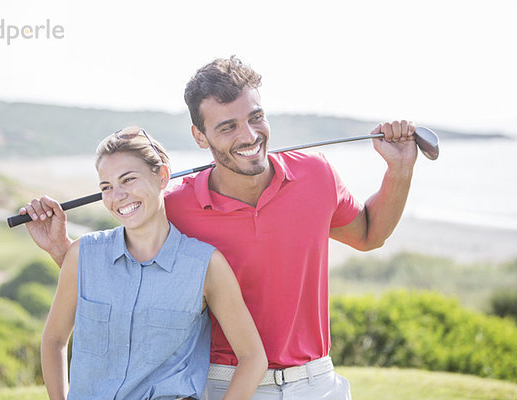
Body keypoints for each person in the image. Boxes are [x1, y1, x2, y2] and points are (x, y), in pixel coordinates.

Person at [22, 56, 418, 399]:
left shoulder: (316, 174)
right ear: (199, 136)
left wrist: (399, 169)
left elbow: (369, 235)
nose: (248, 136)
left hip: (314, 382)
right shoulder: (174, 204)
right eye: (227, 127)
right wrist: (62, 250)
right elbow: (125, 282)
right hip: (221, 383)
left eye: (256, 118)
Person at [39, 126, 267, 400]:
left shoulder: (205, 265)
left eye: (128, 179)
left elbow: (253, 357)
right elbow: (53, 341)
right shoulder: (81, 255)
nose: (118, 195)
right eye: (106, 187)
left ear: (162, 177)